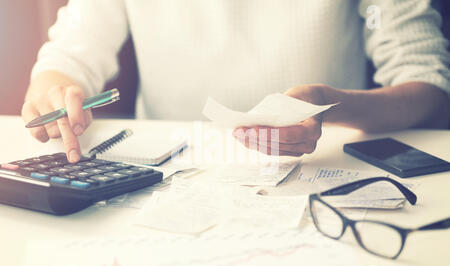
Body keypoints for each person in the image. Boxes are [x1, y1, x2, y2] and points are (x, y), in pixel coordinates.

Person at [22, 0, 450, 163]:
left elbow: (426, 83)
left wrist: (328, 103)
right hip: (164, 176)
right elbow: (67, 58)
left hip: (322, 170)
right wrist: (54, 92)